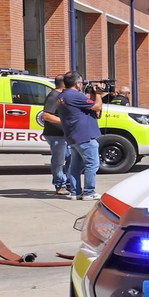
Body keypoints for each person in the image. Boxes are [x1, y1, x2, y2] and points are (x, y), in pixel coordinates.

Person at [57, 72, 102, 202]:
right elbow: (97, 106)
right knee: (92, 164)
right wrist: (98, 94)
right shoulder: (74, 95)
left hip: (73, 135)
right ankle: (89, 192)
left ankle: (75, 192)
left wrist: (93, 95)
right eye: (81, 83)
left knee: (76, 166)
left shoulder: (62, 96)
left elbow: (86, 107)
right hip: (84, 135)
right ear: (77, 84)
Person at [40, 77, 70, 197]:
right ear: (65, 84)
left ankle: (68, 183)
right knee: (58, 161)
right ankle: (60, 185)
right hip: (55, 134)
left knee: (72, 157)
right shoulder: (54, 97)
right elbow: (46, 116)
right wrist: (65, 122)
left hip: (65, 134)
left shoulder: (62, 96)